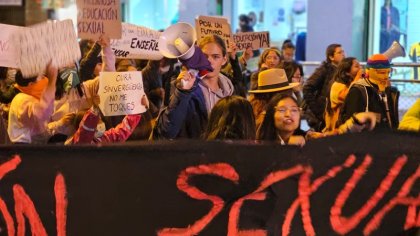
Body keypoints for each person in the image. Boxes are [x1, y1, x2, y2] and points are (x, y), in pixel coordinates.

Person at [153, 35, 234, 139]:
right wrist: (182, 92)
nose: (209, 61)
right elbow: (167, 131)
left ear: (224, 60)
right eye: (204, 56)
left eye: (215, 56)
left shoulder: (230, 89)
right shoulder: (179, 85)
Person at [258, 94, 378, 145]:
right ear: (270, 114)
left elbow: (331, 137)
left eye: (294, 110)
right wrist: (285, 147)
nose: (289, 114)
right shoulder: (259, 142)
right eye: (282, 110)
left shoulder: (307, 136)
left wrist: (355, 122)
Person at [340, 54, 399, 130]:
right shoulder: (358, 90)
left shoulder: (389, 91)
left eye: (388, 72)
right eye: (381, 73)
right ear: (370, 71)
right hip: (366, 138)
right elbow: (352, 121)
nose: (386, 76)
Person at [66, 95, 149, 144]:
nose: (101, 123)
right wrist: (94, 110)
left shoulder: (104, 137)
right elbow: (85, 131)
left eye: (100, 119)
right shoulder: (80, 142)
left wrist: (136, 110)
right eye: (97, 121)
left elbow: (122, 131)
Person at [7, 63, 58, 144]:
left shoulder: (26, 97)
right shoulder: (23, 100)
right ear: (31, 84)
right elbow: (41, 114)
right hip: (24, 150)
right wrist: (52, 81)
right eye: (41, 77)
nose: (44, 79)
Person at [303, 43, 345, 131]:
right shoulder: (324, 70)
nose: (343, 54)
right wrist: (319, 112)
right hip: (322, 118)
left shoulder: (342, 72)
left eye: (343, 52)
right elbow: (307, 88)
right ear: (331, 57)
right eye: (339, 52)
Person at [324, 57, 361, 132]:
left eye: (360, 66)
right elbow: (350, 96)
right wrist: (358, 77)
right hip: (338, 128)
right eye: (357, 66)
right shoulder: (336, 86)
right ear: (347, 72)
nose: (360, 69)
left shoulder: (353, 83)